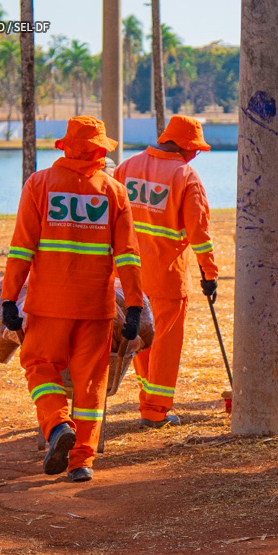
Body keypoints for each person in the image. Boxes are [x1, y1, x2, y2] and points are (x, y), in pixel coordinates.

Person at [1, 116, 144, 482]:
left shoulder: (40, 184)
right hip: (95, 307)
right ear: (100, 150)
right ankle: (82, 461)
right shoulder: (114, 191)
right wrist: (133, 307)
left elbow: (21, 248)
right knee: (91, 383)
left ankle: (56, 426)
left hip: (47, 304)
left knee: (39, 366)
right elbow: (127, 256)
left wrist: (8, 299)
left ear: (65, 146)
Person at [113, 115, 219, 428]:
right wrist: (209, 274)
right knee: (164, 344)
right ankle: (155, 411)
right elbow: (199, 232)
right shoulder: (186, 175)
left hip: (126, 275)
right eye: (195, 149)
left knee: (140, 337)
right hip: (166, 276)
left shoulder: (127, 166)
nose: (195, 154)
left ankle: (149, 399)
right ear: (185, 146)